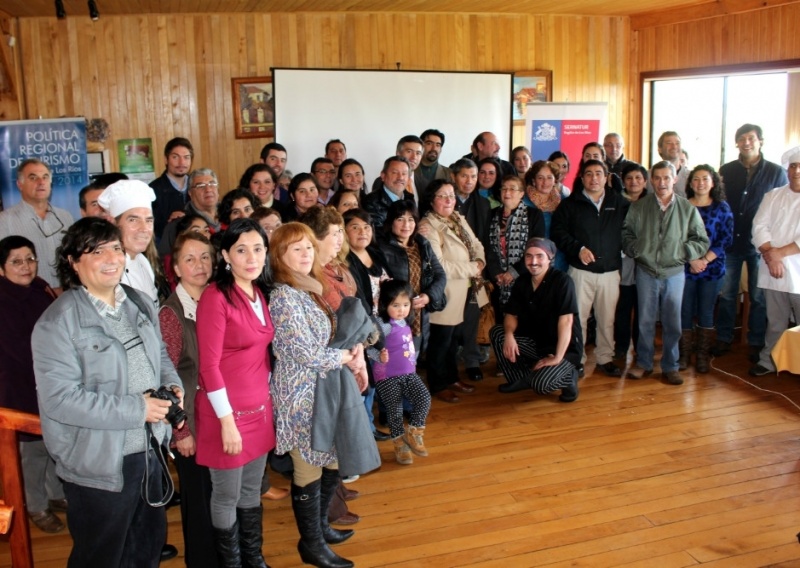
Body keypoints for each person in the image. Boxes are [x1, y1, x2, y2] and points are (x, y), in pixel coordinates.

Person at [32, 217, 183, 567]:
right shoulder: (57, 323)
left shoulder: (140, 302)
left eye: (116, 248)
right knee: (101, 555)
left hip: (150, 451)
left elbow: (158, 353)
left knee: (146, 548)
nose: (112, 258)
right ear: (72, 261)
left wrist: (171, 381)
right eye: (97, 251)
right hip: (98, 462)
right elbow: (60, 400)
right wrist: (137, 409)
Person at [269, 222, 380, 568]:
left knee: (331, 460)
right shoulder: (283, 295)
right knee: (308, 468)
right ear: (280, 257)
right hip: (302, 393)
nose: (304, 255)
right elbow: (305, 352)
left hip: (325, 388)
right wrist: (346, 357)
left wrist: (353, 354)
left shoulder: (310, 288)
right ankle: (311, 544)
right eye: (295, 250)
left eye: (307, 247)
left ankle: (319, 528)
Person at [194, 218, 276, 566]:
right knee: (226, 495)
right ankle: (232, 563)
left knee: (250, 491)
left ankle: (253, 559)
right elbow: (208, 366)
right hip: (226, 415)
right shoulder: (216, 297)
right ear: (226, 255)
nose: (251, 257)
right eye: (241, 250)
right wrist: (226, 422)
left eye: (258, 248)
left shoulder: (257, 291)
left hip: (259, 410)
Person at [158, 231, 220, 568]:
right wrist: (180, 431)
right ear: (176, 268)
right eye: (190, 259)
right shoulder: (171, 314)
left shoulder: (216, 299)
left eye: (205, 257)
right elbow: (163, 379)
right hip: (192, 421)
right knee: (198, 501)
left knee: (221, 497)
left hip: (220, 416)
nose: (200, 265)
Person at [622, 161, 709, 385]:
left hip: (674, 273)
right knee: (645, 321)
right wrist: (636, 249)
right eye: (657, 178)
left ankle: (670, 366)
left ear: (675, 179)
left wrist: (683, 252)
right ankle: (644, 363)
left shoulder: (687, 209)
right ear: (651, 181)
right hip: (646, 271)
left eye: (666, 178)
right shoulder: (639, 207)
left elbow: (701, 240)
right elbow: (626, 234)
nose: (662, 182)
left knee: (672, 322)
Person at [0, 236, 65, 534]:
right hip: (19, 384)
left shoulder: (39, 287)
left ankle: (56, 495)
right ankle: (35, 505)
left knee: (52, 441)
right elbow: (17, 348)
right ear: (1, 269)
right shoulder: (3, 299)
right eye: (16, 261)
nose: (25, 267)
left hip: (49, 379)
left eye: (30, 258)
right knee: (32, 451)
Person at [715, 124, 788, 359]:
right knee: (727, 294)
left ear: (760, 141)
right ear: (736, 143)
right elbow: (719, 204)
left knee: (758, 296)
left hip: (760, 246)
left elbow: (781, 209)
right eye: (741, 139)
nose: (746, 142)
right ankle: (724, 338)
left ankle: (756, 342)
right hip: (730, 243)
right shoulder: (726, 170)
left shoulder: (776, 172)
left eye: (751, 138)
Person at [551, 159, 630, 378]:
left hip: (610, 272)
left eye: (598, 173)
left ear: (606, 177)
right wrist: (578, 248)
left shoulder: (620, 203)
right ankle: (577, 360)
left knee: (607, 319)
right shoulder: (570, 203)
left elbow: (630, 232)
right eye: (588, 174)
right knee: (578, 319)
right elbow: (558, 232)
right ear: (582, 177)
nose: (593, 178)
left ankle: (605, 358)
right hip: (580, 272)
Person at [418, 179, 488, 402]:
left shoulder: (457, 218)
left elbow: (477, 244)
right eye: (442, 195)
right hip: (445, 292)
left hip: (466, 289)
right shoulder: (429, 226)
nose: (449, 199)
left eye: (451, 194)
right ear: (432, 200)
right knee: (441, 342)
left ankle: (451, 377)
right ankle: (438, 385)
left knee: (454, 338)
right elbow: (440, 265)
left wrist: (480, 262)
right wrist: (473, 268)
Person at [489, 238, 582, 401]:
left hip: (563, 349)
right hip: (537, 343)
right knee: (498, 333)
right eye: (528, 256)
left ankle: (569, 376)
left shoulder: (562, 281)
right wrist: (509, 335)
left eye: (539, 256)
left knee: (541, 385)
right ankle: (522, 379)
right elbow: (511, 314)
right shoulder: (522, 282)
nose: (533, 262)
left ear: (550, 258)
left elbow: (566, 322)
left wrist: (558, 357)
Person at [367, 280, 432, 465]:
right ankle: (399, 445)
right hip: (387, 376)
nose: (401, 310)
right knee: (394, 411)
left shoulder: (406, 320)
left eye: (405, 305)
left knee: (424, 398)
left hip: (408, 372)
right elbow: (368, 347)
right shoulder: (382, 325)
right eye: (395, 305)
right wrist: (379, 355)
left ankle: (414, 432)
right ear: (384, 303)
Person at [749, 146, 800, 377]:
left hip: (797, 271)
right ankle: (769, 360)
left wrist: (778, 254)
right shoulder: (773, 195)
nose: (797, 171)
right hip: (772, 269)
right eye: (793, 166)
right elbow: (759, 226)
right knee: (775, 321)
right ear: (787, 170)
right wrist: (771, 255)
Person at [342, 208, 392, 442]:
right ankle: (365, 431)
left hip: (383, 323)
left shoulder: (376, 253)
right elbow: (357, 302)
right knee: (365, 381)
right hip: (364, 330)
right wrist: (375, 331)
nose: (362, 232)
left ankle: (370, 426)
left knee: (376, 377)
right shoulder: (345, 261)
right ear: (344, 232)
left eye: (367, 227)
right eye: (355, 227)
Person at [679, 165, 732, 373]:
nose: (700, 183)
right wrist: (693, 260)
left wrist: (704, 260)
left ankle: (702, 356)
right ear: (690, 183)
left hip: (712, 268)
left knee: (706, 311)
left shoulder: (722, 207)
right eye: (696, 179)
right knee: (684, 310)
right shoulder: (682, 206)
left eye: (705, 179)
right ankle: (683, 355)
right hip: (685, 267)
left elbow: (725, 238)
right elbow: (675, 237)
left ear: (713, 183)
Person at [378, 199, 447, 353]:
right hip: (393, 318)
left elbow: (440, 275)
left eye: (411, 219)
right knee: (393, 362)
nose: (406, 225)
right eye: (400, 219)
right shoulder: (381, 248)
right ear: (391, 222)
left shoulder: (422, 244)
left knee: (412, 359)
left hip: (419, 315)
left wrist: (428, 296)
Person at [0, 158, 74, 291]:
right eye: (33, 178)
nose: (41, 182)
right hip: (27, 299)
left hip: (68, 293)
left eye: (45, 177)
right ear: (20, 185)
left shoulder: (65, 217)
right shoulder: (5, 221)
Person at [485, 175, 545, 320]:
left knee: (524, 322)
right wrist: (497, 272)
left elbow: (536, 247)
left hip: (525, 277)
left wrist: (514, 272)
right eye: (504, 188)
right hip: (498, 280)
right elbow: (486, 246)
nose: (507, 192)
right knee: (500, 323)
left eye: (512, 189)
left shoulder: (534, 215)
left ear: (521, 193)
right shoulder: (492, 215)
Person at [614, 162, 648, 360]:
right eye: (629, 178)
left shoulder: (652, 203)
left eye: (638, 178)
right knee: (623, 308)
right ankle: (621, 347)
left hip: (646, 264)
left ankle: (641, 348)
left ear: (645, 181)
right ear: (623, 181)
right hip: (623, 264)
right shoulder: (617, 202)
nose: (634, 182)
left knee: (643, 309)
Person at [524, 160, 568, 271]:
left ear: (555, 180)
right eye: (540, 178)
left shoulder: (564, 202)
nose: (545, 182)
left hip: (560, 260)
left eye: (549, 177)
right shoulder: (524, 202)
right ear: (533, 181)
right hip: (533, 261)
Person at [150, 137, 193, 238]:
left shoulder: (197, 186)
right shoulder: (153, 190)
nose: (181, 163)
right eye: (175, 157)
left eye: (186, 157)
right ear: (166, 160)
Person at [363, 156, 415, 228]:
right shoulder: (370, 202)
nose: (400, 177)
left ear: (409, 179)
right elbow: (378, 235)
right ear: (383, 176)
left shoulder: (410, 198)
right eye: (395, 172)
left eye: (404, 173)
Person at [415, 128, 452, 194]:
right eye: (429, 143)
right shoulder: (409, 171)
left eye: (438, 145)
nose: (434, 148)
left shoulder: (449, 174)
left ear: (441, 149)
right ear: (421, 146)